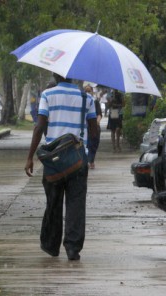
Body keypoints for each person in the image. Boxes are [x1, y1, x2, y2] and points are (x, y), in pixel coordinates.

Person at [25, 73, 100, 261]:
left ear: (55, 75)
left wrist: (30, 157)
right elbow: (93, 130)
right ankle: (73, 248)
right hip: (77, 159)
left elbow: (39, 126)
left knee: (53, 202)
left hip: (54, 161)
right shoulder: (87, 98)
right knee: (76, 203)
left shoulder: (47, 95)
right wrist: (90, 151)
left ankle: (51, 245)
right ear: (74, 77)